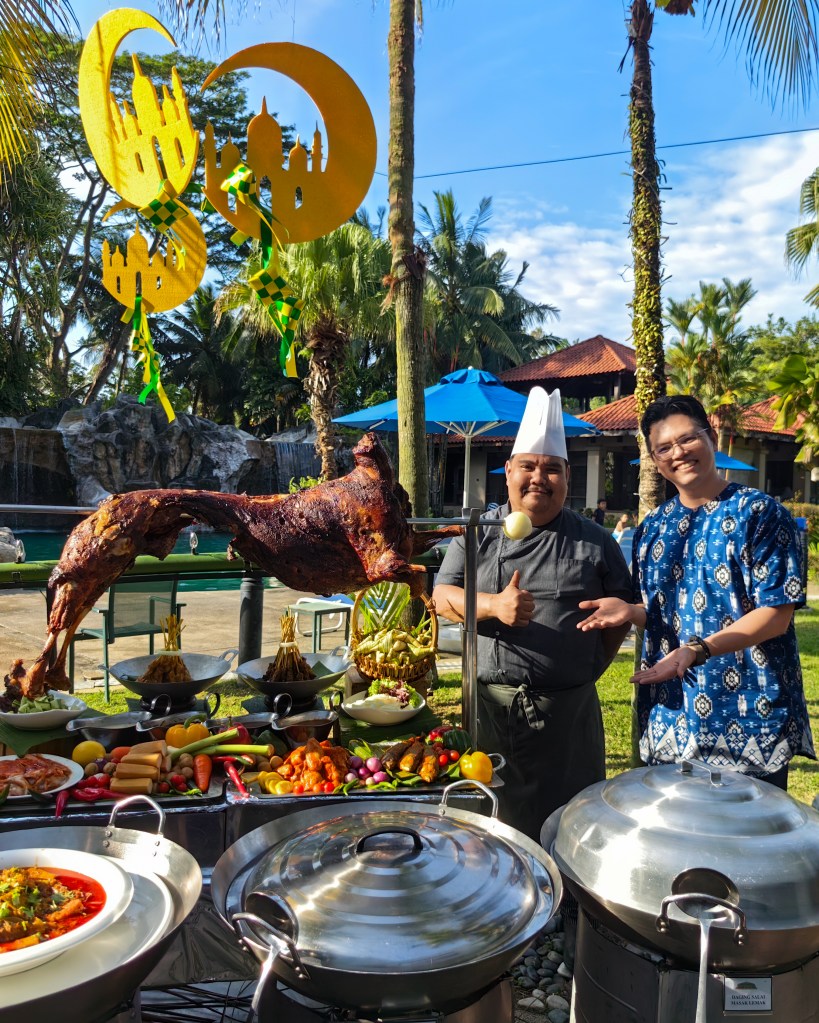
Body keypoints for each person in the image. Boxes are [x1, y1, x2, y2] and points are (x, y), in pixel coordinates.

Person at [578, 394, 814, 788]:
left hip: (749, 720)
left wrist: (697, 649)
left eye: (688, 439)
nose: (679, 453)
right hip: (672, 717)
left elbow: (776, 614)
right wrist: (633, 612)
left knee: (748, 827)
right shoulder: (653, 527)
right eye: (664, 447)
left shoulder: (760, 513)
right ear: (655, 460)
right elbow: (666, 613)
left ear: (712, 439)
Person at [433, 387, 632, 841]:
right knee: (491, 832)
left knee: (570, 831)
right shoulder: (478, 531)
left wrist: (584, 670)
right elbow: (441, 596)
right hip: (490, 714)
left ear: (567, 477)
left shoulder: (594, 540)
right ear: (509, 471)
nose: (539, 478)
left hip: (569, 721)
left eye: (552, 469)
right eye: (528, 466)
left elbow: (618, 615)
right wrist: (492, 606)